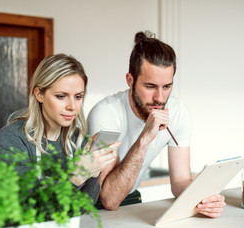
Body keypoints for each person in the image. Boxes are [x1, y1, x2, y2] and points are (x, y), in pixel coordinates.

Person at [87, 31, 226, 217]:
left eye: (167, 86)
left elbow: (180, 182)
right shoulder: (106, 114)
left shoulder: (178, 112)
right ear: (130, 80)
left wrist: (203, 199)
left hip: (130, 196)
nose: (159, 98)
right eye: (150, 86)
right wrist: (145, 138)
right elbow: (109, 199)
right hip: (93, 205)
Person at [0, 53, 120, 206]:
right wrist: (75, 177)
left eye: (78, 97)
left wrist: (94, 171)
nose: (72, 106)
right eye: (61, 96)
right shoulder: (11, 141)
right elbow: (26, 212)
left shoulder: (77, 141)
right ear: (39, 94)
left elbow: (83, 207)